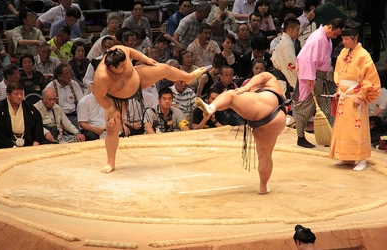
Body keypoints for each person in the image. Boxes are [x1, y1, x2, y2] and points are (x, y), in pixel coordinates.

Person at [93, 45, 206, 173]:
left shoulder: (120, 50)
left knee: (164, 68)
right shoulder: (102, 77)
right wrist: (111, 109)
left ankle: (188, 77)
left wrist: (145, 58)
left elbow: (130, 50)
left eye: (126, 64)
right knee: (112, 128)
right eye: (122, 66)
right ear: (112, 67)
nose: (126, 67)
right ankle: (110, 162)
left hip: (138, 78)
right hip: (116, 98)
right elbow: (99, 97)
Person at [195, 72, 286, 194]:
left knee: (230, 95)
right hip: (277, 119)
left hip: (265, 105)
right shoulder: (273, 89)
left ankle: (211, 107)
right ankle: (263, 187)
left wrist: (247, 87)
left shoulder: (267, 81)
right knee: (265, 156)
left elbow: (262, 76)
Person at [329, 27, 381, 171]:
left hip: (355, 95)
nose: (344, 42)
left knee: (357, 127)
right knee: (343, 128)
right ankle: (347, 157)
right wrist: (339, 89)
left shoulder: (364, 55)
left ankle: (361, 158)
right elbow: (339, 72)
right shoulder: (343, 52)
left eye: (347, 39)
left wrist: (361, 95)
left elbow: (370, 78)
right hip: (344, 95)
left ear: (355, 38)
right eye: (343, 39)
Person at [294, 18, 345, 148]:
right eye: (335, 33)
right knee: (305, 108)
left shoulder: (326, 38)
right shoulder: (317, 38)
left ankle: (326, 137)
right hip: (311, 77)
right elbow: (305, 58)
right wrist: (310, 78)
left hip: (321, 78)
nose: (336, 36)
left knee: (325, 108)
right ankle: (300, 137)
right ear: (329, 27)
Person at [0, 82, 45, 149]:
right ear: (8, 94)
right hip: (5, 145)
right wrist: (12, 146)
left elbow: (38, 124)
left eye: (21, 94)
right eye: (16, 94)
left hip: (28, 142)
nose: (19, 97)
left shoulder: (28, 107)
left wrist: (36, 141)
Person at [269, 18, 300, 99]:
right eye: (297, 30)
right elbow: (290, 64)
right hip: (281, 78)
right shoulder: (286, 43)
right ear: (289, 30)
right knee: (283, 103)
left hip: (280, 77)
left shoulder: (286, 41)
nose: (298, 32)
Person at [45, 63, 84, 128]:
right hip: (57, 117)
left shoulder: (74, 84)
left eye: (69, 73)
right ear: (59, 77)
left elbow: (81, 102)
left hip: (73, 116)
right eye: (66, 73)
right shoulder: (50, 87)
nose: (69, 76)